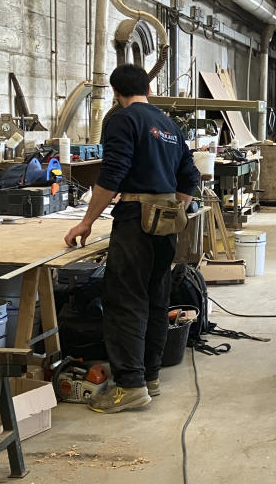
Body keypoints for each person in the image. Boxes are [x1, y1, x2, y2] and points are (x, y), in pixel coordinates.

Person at [65, 64, 200, 414]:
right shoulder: (169, 124)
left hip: (135, 219)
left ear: (115, 93)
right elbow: (190, 175)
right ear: (149, 89)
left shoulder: (122, 119)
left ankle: (129, 386)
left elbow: (112, 175)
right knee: (156, 298)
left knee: (124, 301)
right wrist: (174, 209)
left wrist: (86, 221)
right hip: (166, 220)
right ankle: (149, 378)